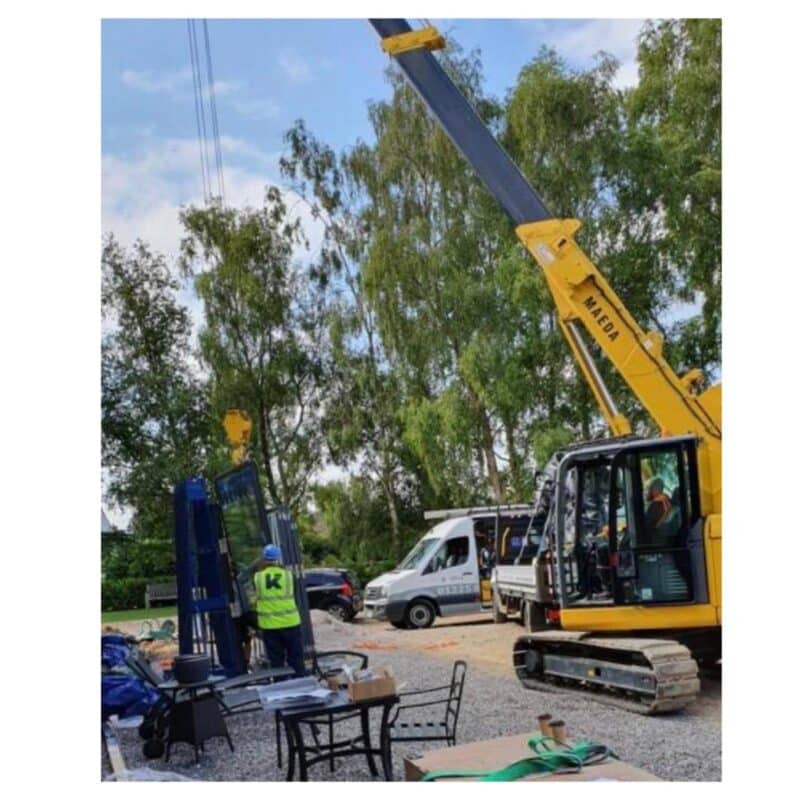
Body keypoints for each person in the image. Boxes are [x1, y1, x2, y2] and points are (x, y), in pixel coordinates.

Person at [254, 544, 306, 676]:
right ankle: (301, 685)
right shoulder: (288, 576)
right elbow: (293, 593)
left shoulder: (258, 577)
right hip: (290, 623)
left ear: (264, 559)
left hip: (270, 626)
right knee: (296, 659)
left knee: (276, 662)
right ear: (278, 559)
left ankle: (280, 689)